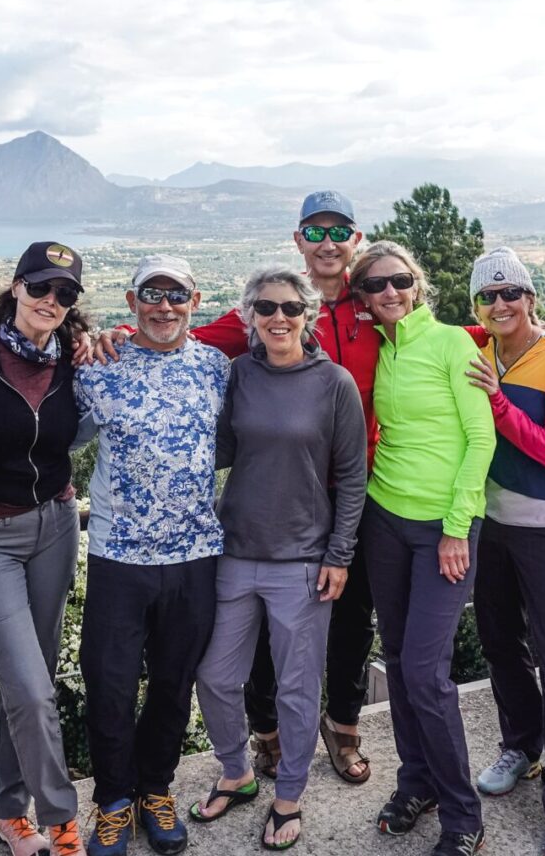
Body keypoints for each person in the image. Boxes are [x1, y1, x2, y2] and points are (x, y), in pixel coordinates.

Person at [89, 189, 381, 785]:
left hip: (353, 504)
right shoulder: (246, 348)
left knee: (352, 627)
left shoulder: (380, 301)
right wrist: (121, 331)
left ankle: (342, 731)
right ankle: (261, 745)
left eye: (338, 232)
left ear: (355, 239)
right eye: (314, 232)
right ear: (299, 240)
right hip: (254, 523)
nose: (279, 317)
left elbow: (451, 338)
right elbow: (181, 336)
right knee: (241, 663)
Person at [190, 266, 368, 850]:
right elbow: (214, 448)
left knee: (295, 687)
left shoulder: (333, 382)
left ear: (307, 314)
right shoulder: (239, 374)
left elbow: (350, 474)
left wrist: (339, 554)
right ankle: (238, 773)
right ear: (250, 317)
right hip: (236, 551)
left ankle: (288, 794)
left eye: (291, 308)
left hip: (303, 560)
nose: (279, 318)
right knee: (216, 677)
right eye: (266, 308)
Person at [74, 255, 231, 856]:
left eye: (176, 296)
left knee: (173, 681)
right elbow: (56, 441)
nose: (164, 307)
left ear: (194, 301)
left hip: (196, 554)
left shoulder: (216, 368)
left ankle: (155, 789)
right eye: (152, 295)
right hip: (119, 556)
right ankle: (114, 801)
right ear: (131, 301)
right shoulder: (98, 366)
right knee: (109, 683)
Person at [0, 242, 91, 856]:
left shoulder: (77, 364)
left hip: (55, 527)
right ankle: (62, 823)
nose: (49, 302)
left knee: (29, 680)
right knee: (31, 687)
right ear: (15, 287)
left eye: (64, 294)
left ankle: (4, 812)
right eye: (39, 288)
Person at [351, 240, 496, 856]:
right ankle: (417, 783)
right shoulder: (380, 350)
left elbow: (480, 437)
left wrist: (458, 526)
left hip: (445, 527)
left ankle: (463, 815)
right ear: (363, 297)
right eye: (376, 285)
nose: (389, 292)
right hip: (386, 520)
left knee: (425, 672)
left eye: (399, 281)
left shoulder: (451, 343)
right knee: (402, 660)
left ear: (417, 284)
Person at [461, 248, 545, 856]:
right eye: (487, 297)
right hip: (495, 522)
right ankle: (521, 743)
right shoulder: (481, 351)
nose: (500, 305)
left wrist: (496, 402)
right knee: (500, 644)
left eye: (510, 293)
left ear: (531, 298)